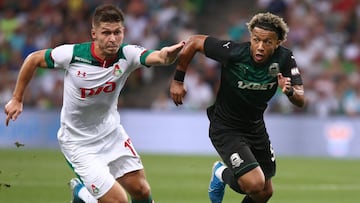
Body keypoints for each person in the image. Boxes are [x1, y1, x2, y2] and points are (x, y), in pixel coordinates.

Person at [4, 4, 184, 203]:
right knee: (118, 201)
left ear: (123, 32)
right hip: (78, 142)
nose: (113, 38)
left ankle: (82, 195)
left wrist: (167, 55)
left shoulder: (127, 54)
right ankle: (81, 192)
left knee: (141, 190)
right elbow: (33, 59)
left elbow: (158, 56)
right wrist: (17, 98)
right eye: (106, 33)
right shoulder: (73, 54)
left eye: (117, 32)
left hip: (111, 133)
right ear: (94, 34)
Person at [170, 12, 306, 203]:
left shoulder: (284, 58)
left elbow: (301, 99)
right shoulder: (233, 52)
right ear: (250, 37)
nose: (260, 46)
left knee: (265, 192)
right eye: (256, 39)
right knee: (254, 184)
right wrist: (178, 80)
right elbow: (194, 42)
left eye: (267, 42)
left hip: (255, 128)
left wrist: (289, 91)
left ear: (278, 43)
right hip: (226, 127)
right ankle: (221, 173)